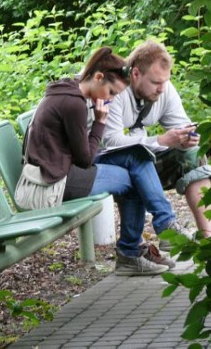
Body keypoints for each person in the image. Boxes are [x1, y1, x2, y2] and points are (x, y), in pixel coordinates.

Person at [23, 46, 176, 276]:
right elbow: (85, 159)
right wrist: (100, 122)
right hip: (54, 180)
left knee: (136, 156)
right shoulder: (73, 103)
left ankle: (153, 234)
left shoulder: (73, 91)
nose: (112, 99)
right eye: (112, 92)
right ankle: (134, 250)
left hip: (64, 167)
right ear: (98, 77)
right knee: (135, 174)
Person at [98, 39, 211, 250]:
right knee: (135, 162)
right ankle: (139, 246)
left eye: (165, 81)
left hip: (138, 162)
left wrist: (187, 138)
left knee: (194, 154)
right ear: (135, 74)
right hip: (104, 165)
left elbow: (180, 125)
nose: (162, 89)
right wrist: (160, 141)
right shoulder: (115, 90)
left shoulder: (165, 89)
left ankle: (210, 238)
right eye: (155, 83)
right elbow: (112, 142)